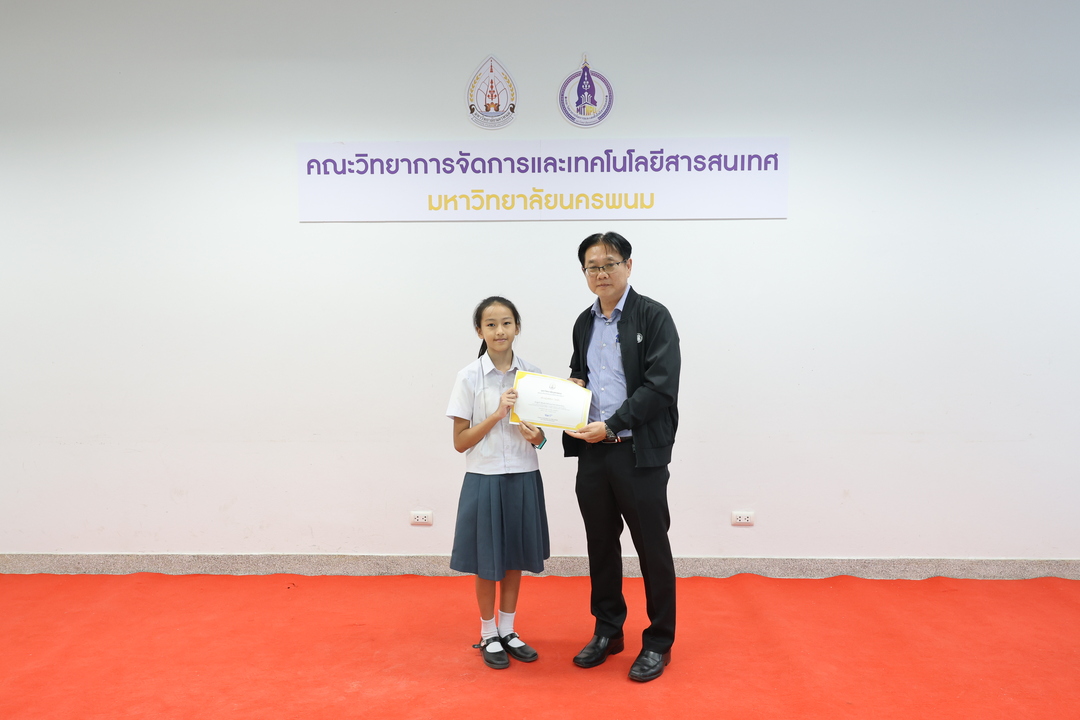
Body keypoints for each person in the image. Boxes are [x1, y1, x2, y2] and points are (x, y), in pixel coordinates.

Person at [563, 232, 681, 683]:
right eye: (592, 266)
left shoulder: (653, 316)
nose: (601, 273)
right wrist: (571, 390)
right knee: (600, 545)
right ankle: (608, 631)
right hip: (593, 452)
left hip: (637, 451)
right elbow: (581, 371)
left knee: (652, 547)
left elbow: (660, 385)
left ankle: (659, 641)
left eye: (610, 263)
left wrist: (613, 424)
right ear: (584, 272)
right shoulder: (584, 321)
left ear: (628, 266)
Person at [447, 296, 551, 669]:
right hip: (485, 477)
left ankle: (508, 630)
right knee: (486, 561)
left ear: (517, 327)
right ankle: (488, 632)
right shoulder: (468, 377)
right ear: (480, 331)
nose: (499, 331)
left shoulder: (533, 376)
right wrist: (496, 415)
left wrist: (537, 437)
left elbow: (542, 439)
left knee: (514, 557)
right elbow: (460, 442)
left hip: (523, 474)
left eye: (506, 323)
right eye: (490, 324)